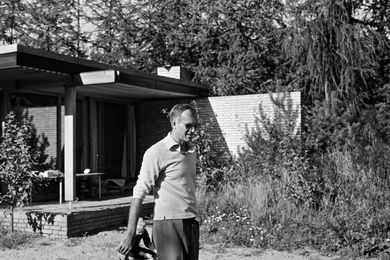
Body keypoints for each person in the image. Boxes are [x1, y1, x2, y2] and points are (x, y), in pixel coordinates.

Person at [117, 103, 200, 260]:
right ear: (174, 123)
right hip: (168, 223)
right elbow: (139, 191)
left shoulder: (191, 151)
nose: (193, 130)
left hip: (191, 220)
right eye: (188, 126)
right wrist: (130, 233)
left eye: (195, 125)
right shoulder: (157, 152)